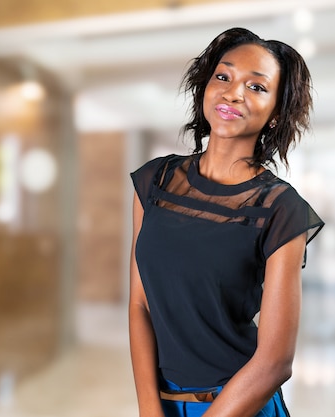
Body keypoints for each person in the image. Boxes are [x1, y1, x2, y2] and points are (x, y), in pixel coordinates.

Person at [129, 27, 324, 417]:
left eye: (256, 87)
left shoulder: (281, 207)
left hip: (240, 407)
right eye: (223, 76)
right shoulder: (155, 182)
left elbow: (275, 362)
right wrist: (150, 410)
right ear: (205, 87)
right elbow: (140, 305)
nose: (233, 92)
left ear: (276, 115)